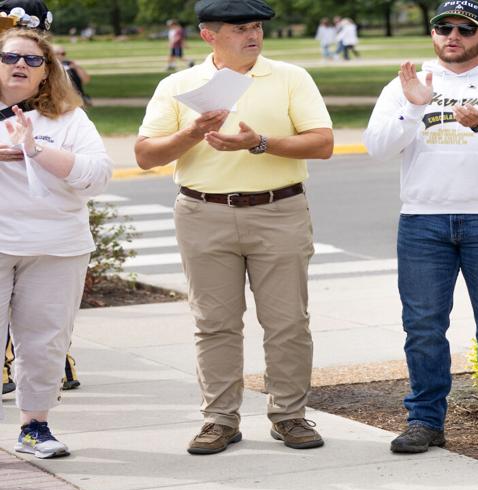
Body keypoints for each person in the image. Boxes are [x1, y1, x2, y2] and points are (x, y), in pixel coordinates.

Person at [135, 0, 335, 455]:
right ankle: (219, 419)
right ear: (209, 35)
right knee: (214, 324)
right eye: (241, 28)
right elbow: (146, 155)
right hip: (202, 213)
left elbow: (322, 143)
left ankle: (289, 415)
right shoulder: (179, 84)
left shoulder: (290, 77)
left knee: (287, 322)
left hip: (279, 211)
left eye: (258, 27)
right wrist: (191, 133)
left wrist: (258, 143)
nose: (254, 35)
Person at [364, 0, 478, 456]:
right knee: (423, 327)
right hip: (422, 221)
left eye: (466, 29)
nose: (452, 36)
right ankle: (425, 420)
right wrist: (411, 107)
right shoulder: (406, 83)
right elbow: (377, 148)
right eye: (443, 27)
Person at [1, 26, 111, 459]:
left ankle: (35, 427)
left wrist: (36, 150)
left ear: (47, 72)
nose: (21, 66)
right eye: (11, 57)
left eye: (33, 60)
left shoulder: (68, 118)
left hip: (56, 247)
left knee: (45, 341)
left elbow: (97, 175)